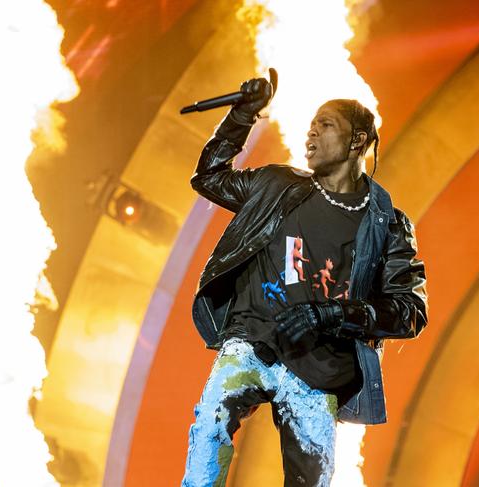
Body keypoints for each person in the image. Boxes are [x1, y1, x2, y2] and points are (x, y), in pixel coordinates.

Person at [182, 69, 428, 487]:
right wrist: (242, 115)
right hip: (252, 342)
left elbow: (409, 311)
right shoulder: (278, 185)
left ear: (358, 142)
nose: (310, 133)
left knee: (310, 478)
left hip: (317, 368)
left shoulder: (386, 224)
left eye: (325, 125)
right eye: (310, 125)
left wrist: (332, 313)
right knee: (211, 423)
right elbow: (208, 177)